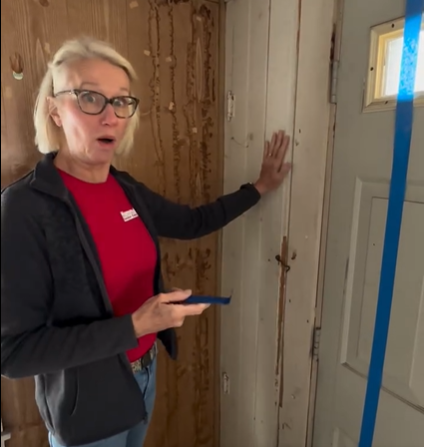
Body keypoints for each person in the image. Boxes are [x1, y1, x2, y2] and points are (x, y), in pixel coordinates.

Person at [1, 36, 292, 447]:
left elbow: (192, 222)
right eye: (89, 98)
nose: (110, 117)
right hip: (87, 407)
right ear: (54, 110)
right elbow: (13, 353)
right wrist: (136, 326)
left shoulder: (126, 189)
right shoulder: (24, 207)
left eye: (120, 101)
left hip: (143, 375)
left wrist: (259, 188)